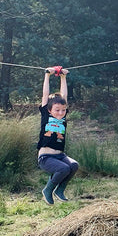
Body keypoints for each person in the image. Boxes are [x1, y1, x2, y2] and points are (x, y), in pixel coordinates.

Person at [37, 66, 78, 203]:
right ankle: (48, 189)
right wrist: (47, 75)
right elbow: (45, 95)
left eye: (63, 110)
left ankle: (59, 190)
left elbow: (64, 96)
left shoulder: (63, 118)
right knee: (64, 168)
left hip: (60, 155)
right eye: (57, 110)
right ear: (49, 110)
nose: (60, 113)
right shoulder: (46, 116)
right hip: (46, 157)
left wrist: (63, 77)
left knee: (73, 165)